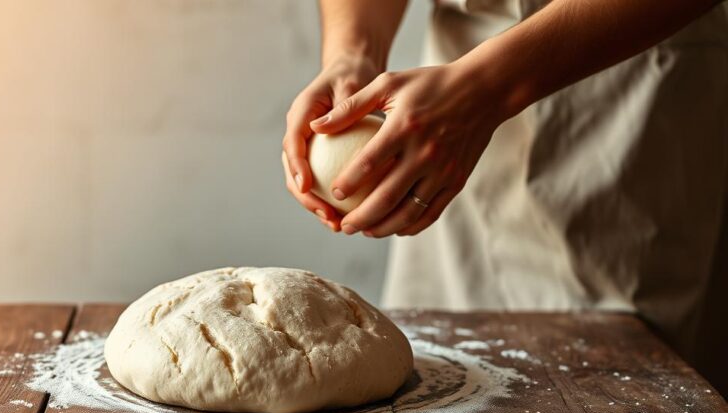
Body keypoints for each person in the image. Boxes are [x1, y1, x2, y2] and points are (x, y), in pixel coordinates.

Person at [283, 0, 728, 391]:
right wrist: (352, 53)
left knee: (625, 410)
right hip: (440, 109)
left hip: (630, 87)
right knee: (444, 391)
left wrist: (486, 88)